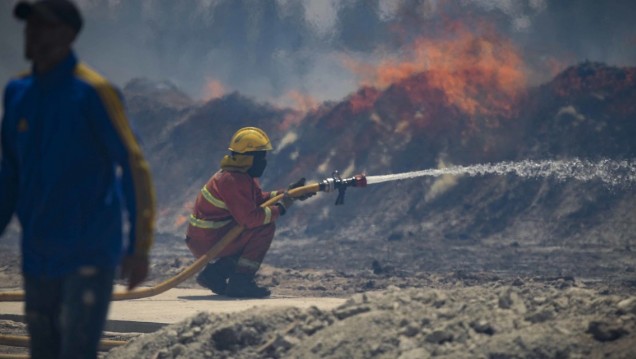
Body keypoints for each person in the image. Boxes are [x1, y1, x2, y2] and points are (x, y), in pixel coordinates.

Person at [0, 1, 156, 358]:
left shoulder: (93, 93)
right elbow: (9, 174)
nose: (32, 34)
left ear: (68, 34)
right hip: (37, 254)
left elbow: (134, 166)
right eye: (30, 26)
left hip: (88, 251)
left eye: (44, 26)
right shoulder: (18, 93)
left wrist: (139, 247)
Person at [185, 127, 312, 298]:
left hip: (211, 236)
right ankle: (241, 282)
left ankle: (214, 275)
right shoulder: (232, 180)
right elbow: (250, 219)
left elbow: (258, 199)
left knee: (251, 230)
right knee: (263, 228)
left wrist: (287, 193)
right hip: (210, 240)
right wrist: (281, 208)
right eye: (260, 157)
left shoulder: (240, 176)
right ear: (248, 158)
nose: (264, 162)